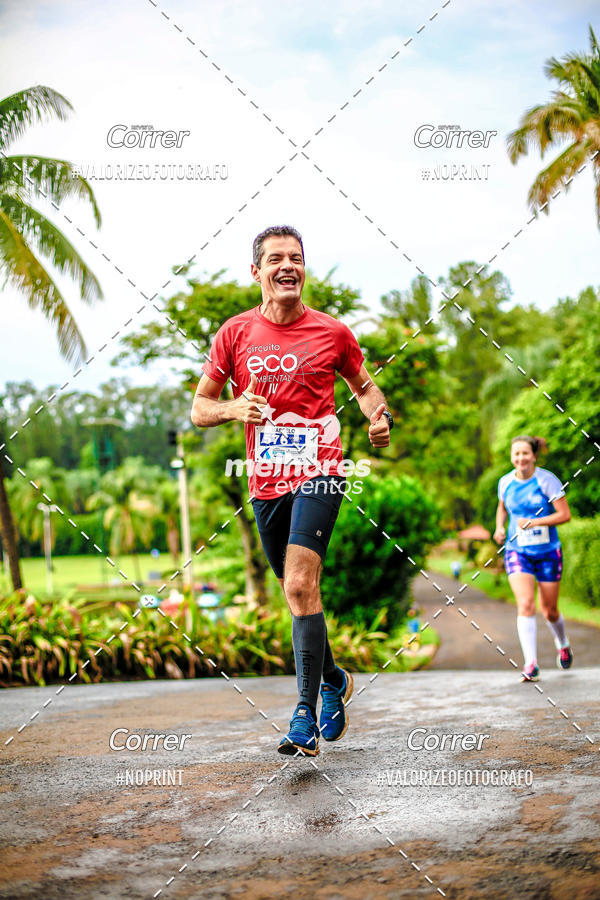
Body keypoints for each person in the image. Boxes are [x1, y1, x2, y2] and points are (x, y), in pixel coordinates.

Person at [190, 225, 393, 756]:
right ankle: (332, 680)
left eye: (296, 258)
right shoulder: (234, 334)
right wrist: (234, 407)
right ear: (255, 271)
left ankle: (303, 714)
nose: (288, 266)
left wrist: (380, 416)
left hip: (321, 468)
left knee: (303, 580)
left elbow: (365, 387)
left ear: (304, 268)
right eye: (276, 258)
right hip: (264, 481)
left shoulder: (332, 332)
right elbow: (200, 408)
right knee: (296, 592)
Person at [493, 435, 572, 682]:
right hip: (517, 550)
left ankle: (563, 643)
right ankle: (531, 664)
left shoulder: (547, 481)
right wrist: (499, 527)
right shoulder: (505, 482)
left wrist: (535, 522)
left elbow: (564, 515)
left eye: (525, 453)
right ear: (511, 457)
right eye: (516, 454)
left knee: (549, 611)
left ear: (534, 455)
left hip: (548, 551)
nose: (520, 458)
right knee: (526, 604)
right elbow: (502, 507)